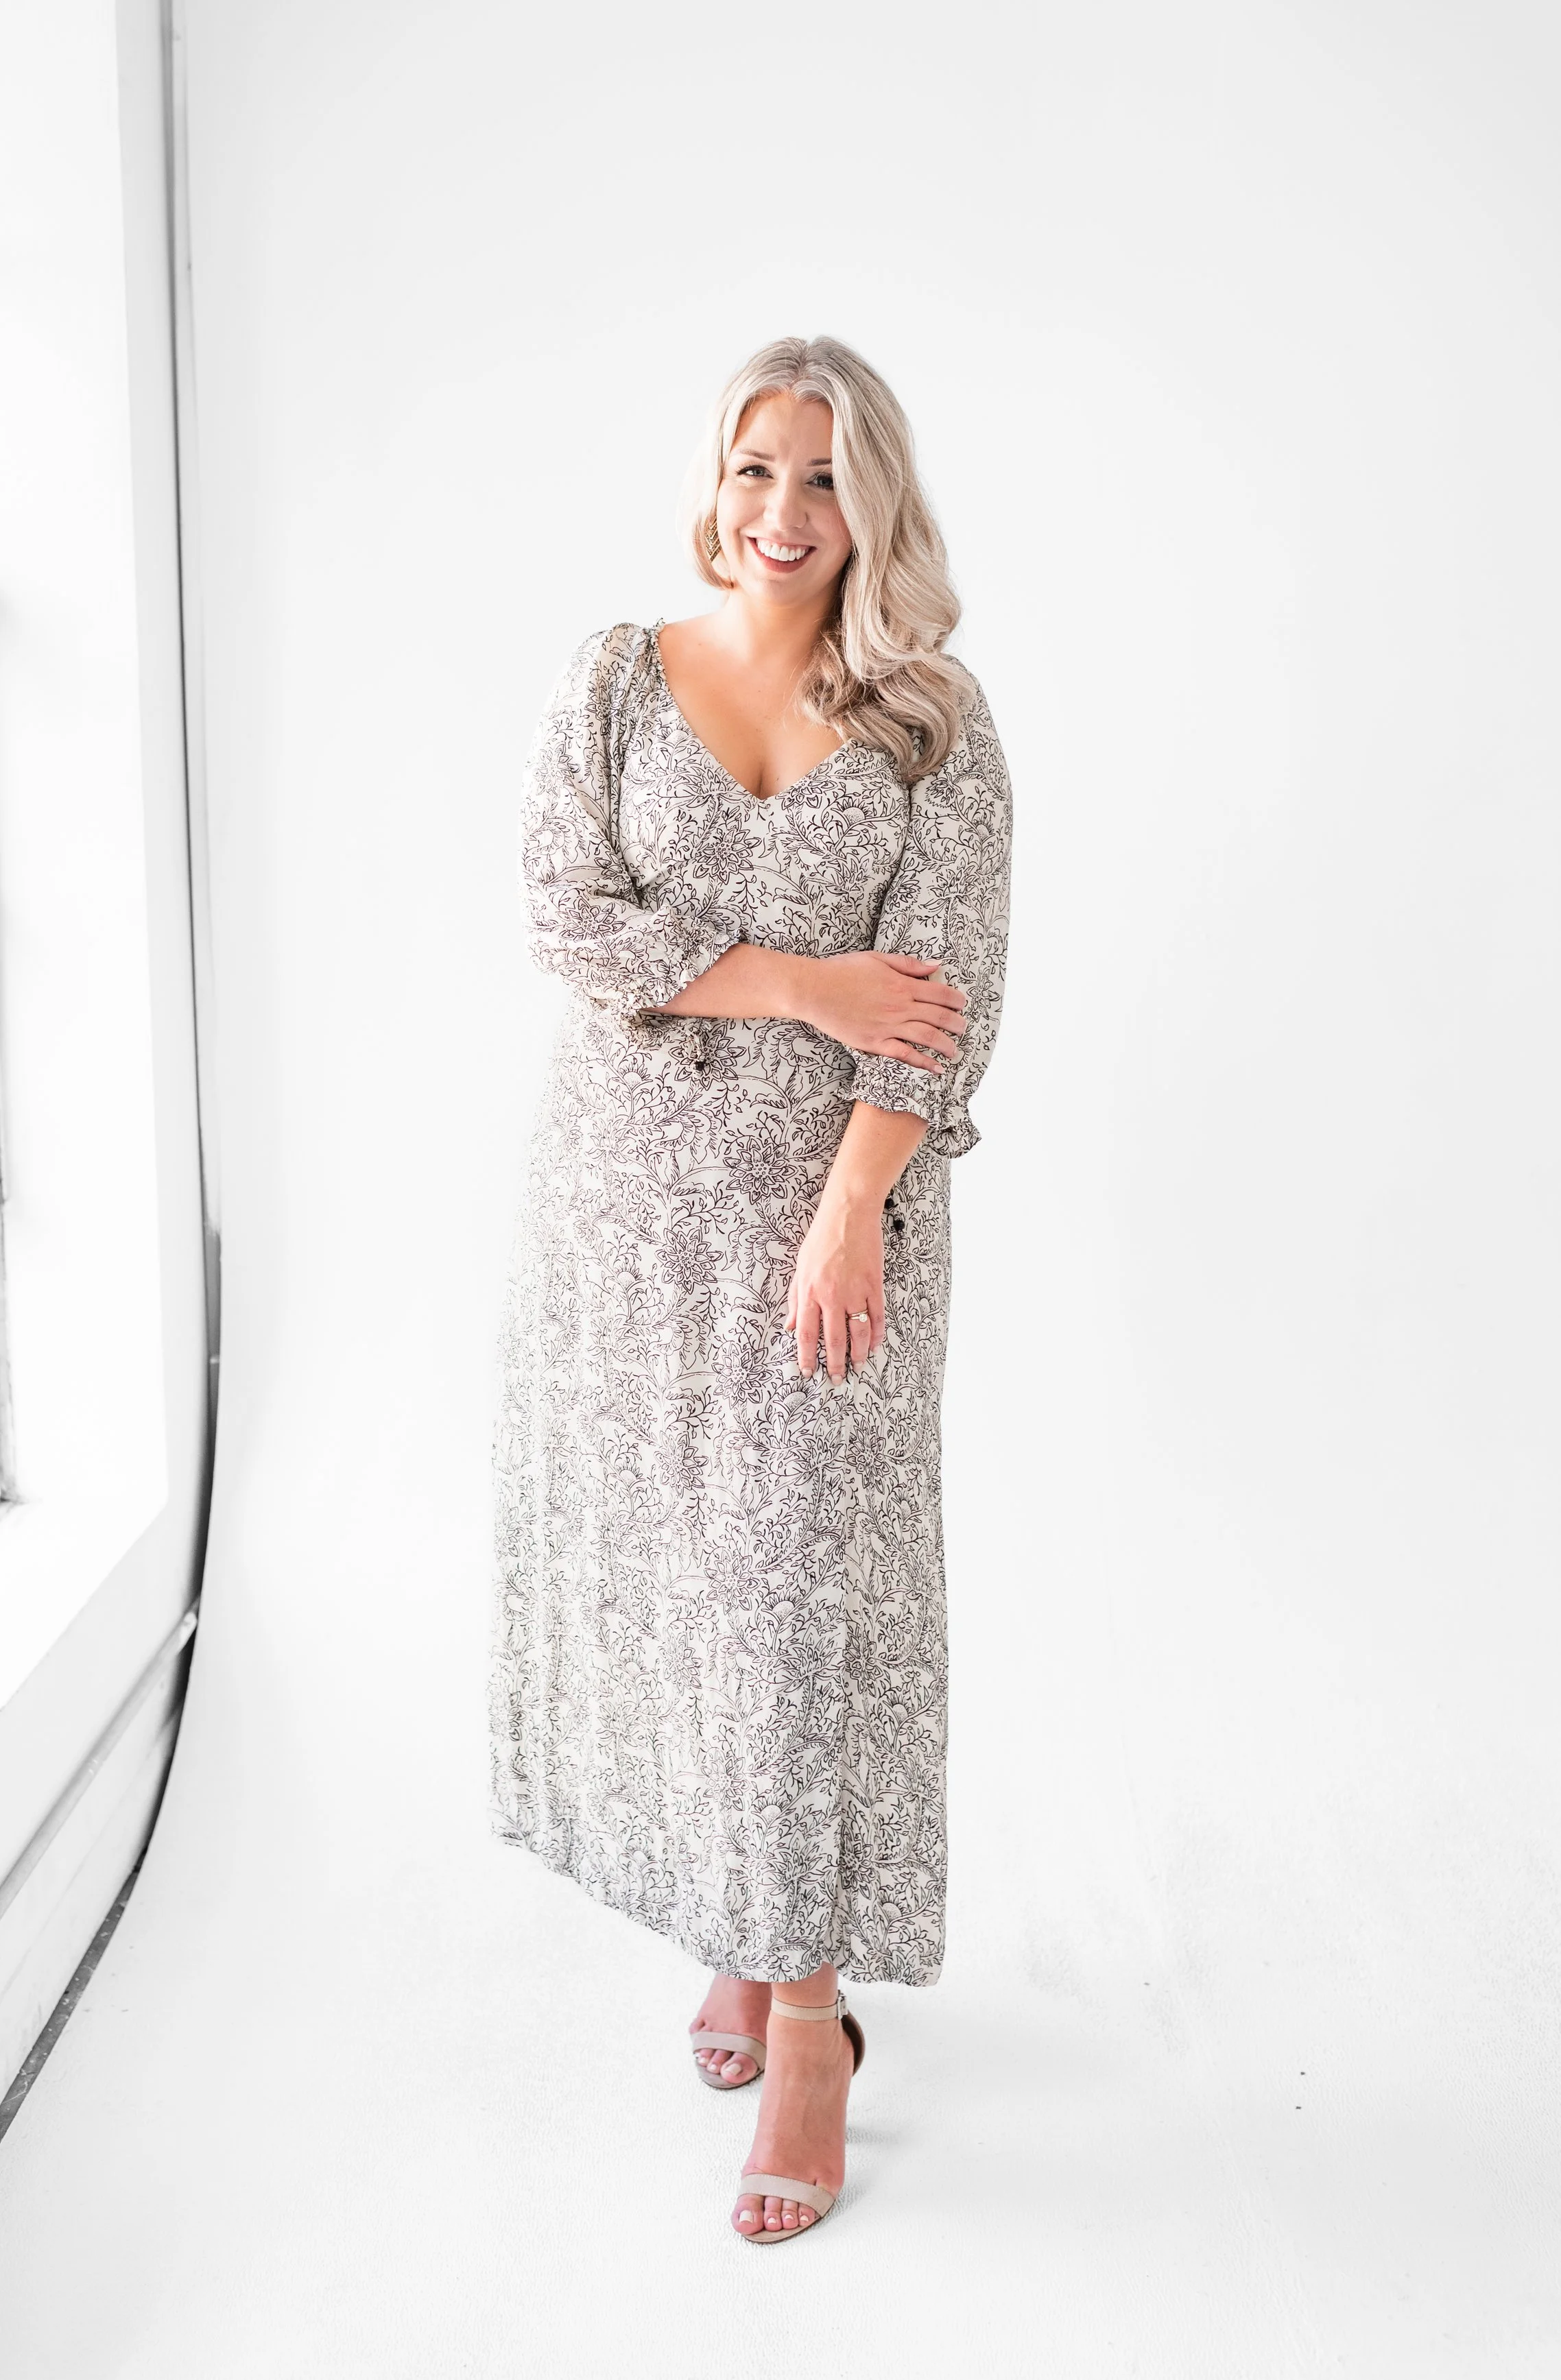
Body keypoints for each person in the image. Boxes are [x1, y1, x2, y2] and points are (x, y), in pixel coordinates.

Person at [488, 334, 1013, 2244]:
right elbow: (566, 914)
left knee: (798, 1604)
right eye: (753, 468)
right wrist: (800, 978)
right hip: (621, 1222)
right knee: (685, 1597)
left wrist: (853, 1206)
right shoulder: (614, 677)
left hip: (828, 1225)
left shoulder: (931, 724)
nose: (781, 511)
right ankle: (740, 1911)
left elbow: (948, 996)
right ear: (714, 484)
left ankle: (810, 2021)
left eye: (821, 477)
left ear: (873, 504)